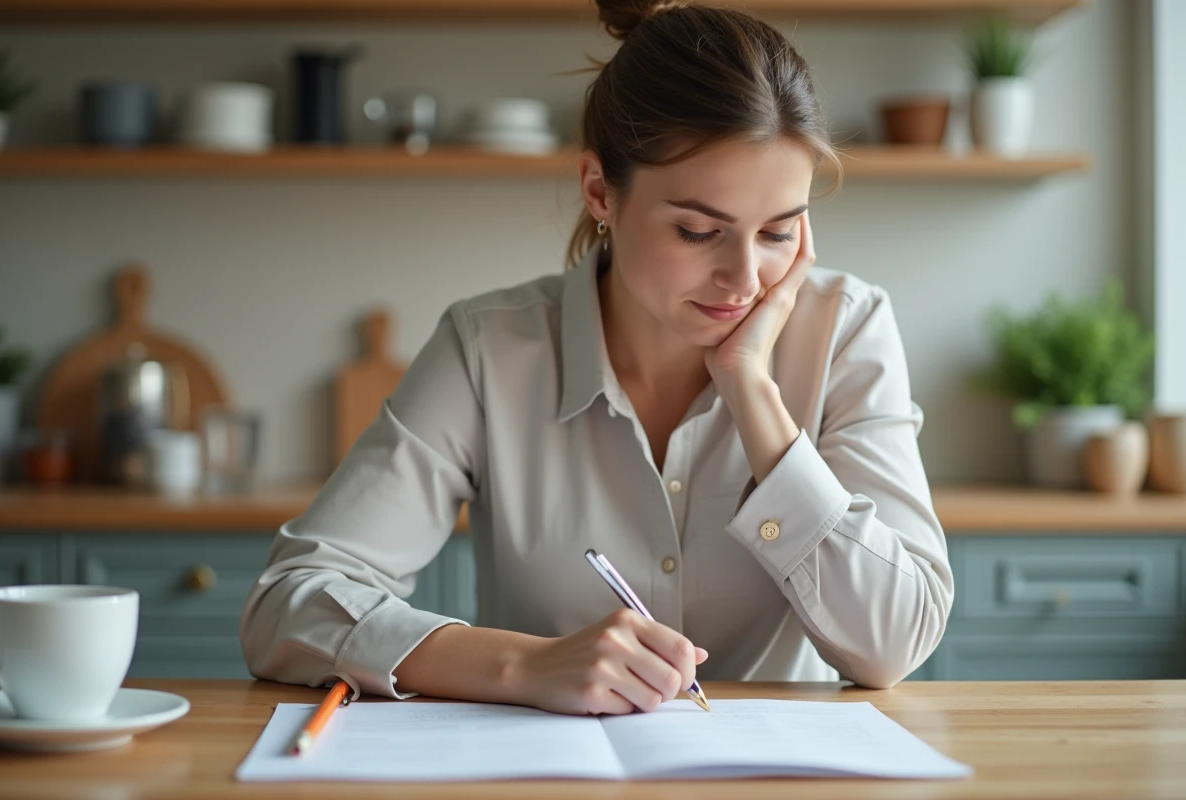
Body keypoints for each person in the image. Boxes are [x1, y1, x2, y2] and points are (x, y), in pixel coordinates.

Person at [241, 0, 953, 717]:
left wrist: (753, 395)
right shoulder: (490, 348)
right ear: (599, 191)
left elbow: (894, 645)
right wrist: (524, 664)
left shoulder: (848, 328)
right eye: (699, 231)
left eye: (778, 232)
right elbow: (287, 605)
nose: (745, 280)